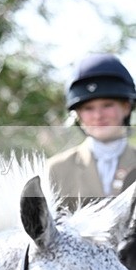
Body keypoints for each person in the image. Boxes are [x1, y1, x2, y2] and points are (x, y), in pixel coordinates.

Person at [47, 53, 136, 210]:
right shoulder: (56, 169)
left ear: (126, 107)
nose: (98, 116)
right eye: (88, 108)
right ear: (78, 115)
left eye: (107, 105)